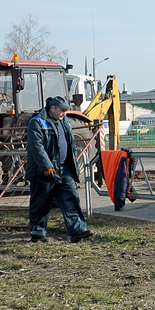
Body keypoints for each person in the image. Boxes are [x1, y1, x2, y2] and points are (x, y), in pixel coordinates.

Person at [27, 95, 93, 243]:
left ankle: (77, 230)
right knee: (41, 202)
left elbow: (69, 144)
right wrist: (46, 165)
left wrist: (73, 164)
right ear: (53, 108)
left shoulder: (65, 122)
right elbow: (37, 147)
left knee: (71, 198)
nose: (64, 113)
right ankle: (37, 233)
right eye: (62, 110)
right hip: (44, 171)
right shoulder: (37, 122)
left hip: (64, 168)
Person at [100, 147, 138, 211]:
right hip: (122, 161)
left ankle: (131, 197)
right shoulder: (123, 158)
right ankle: (132, 196)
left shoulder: (122, 158)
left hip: (121, 161)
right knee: (121, 183)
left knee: (121, 183)